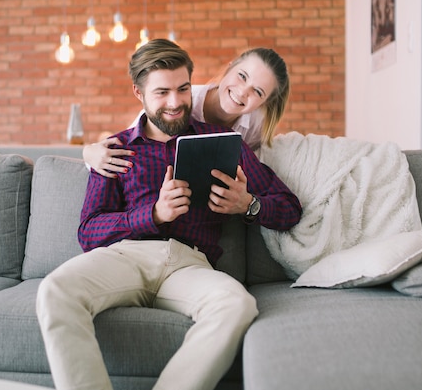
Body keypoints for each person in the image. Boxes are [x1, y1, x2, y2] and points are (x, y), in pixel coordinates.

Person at [36, 39, 301, 390]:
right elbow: (88, 232)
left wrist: (248, 204)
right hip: (125, 256)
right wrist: (153, 214)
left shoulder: (222, 141)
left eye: (183, 89)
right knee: (55, 289)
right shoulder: (115, 150)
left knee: (237, 304)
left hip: (190, 265)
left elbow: (289, 206)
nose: (175, 102)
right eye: (161, 92)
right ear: (139, 93)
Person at [83, 46, 290, 178]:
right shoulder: (177, 104)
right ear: (230, 67)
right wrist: (88, 153)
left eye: (258, 91)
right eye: (242, 76)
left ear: (265, 102)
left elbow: (254, 173)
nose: (243, 92)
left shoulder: (255, 125)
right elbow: (130, 145)